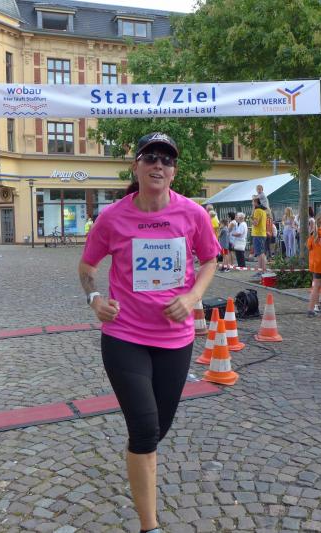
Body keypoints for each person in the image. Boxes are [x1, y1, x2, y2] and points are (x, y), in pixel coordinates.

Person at [78, 132, 219, 533]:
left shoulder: (193, 214)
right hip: (124, 336)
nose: (159, 164)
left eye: (167, 160)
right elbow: (87, 267)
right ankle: (149, 526)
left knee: (157, 429)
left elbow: (210, 260)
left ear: (174, 172)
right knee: (143, 429)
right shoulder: (112, 217)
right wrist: (95, 300)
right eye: (151, 157)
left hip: (175, 340)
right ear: (136, 166)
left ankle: (140, 469)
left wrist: (192, 297)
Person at [250, 197, 268, 278]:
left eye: (252, 202)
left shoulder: (257, 211)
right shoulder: (263, 211)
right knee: (261, 253)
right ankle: (262, 270)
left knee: (259, 254)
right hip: (262, 234)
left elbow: (255, 223)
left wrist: (249, 219)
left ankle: (261, 271)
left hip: (258, 234)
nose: (252, 203)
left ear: (256, 202)